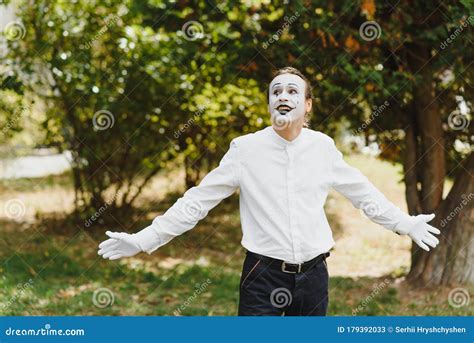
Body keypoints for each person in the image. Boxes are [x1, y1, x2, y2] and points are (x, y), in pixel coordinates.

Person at [97, 66, 440, 316]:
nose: (283, 96)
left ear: (307, 105)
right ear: (270, 104)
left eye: (292, 91)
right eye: (276, 91)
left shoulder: (322, 147)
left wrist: (404, 223)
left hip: (314, 276)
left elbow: (362, 194)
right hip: (262, 276)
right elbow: (197, 202)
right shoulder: (245, 150)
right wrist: (145, 239)